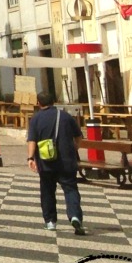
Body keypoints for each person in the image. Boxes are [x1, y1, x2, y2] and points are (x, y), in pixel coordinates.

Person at [26, 91, 85, 234]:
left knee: (47, 191)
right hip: (67, 161)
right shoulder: (65, 116)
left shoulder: (36, 119)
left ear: (38, 103)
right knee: (70, 189)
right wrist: (73, 149)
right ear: (54, 101)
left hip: (46, 162)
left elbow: (32, 140)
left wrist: (31, 158)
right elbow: (78, 137)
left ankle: (50, 221)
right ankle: (75, 216)